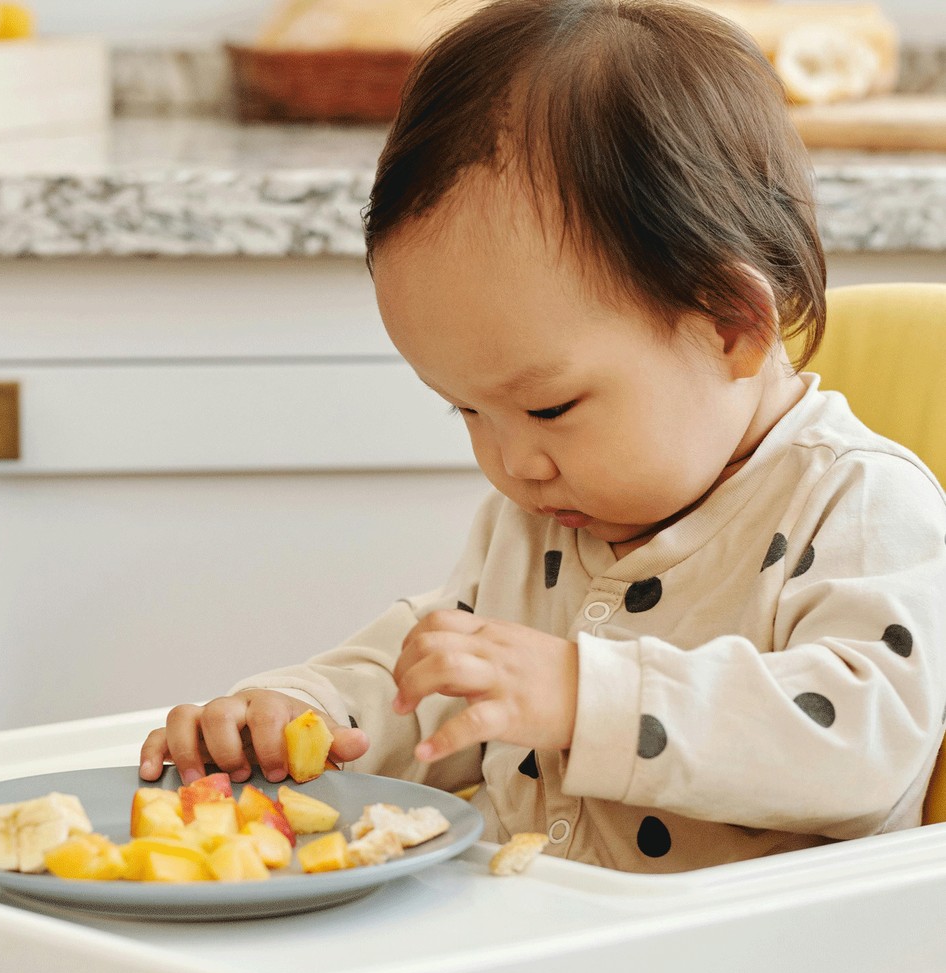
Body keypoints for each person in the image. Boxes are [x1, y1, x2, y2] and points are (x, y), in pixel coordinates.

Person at [140, 0, 946, 872]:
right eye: (466, 411)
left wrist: (585, 697)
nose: (511, 463)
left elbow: (865, 743)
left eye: (550, 408)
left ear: (729, 327)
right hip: (544, 937)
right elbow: (436, 681)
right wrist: (299, 714)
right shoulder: (544, 515)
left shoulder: (857, 503)